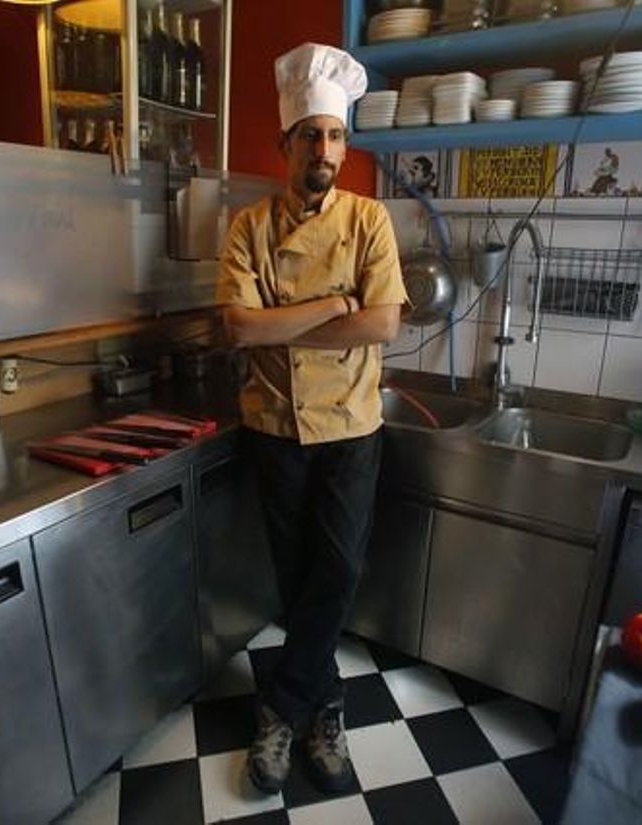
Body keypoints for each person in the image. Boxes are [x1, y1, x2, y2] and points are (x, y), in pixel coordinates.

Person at [214, 42, 407, 795]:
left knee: (339, 568)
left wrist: (279, 320)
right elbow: (238, 328)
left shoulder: (370, 219)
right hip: (274, 424)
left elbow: (384, 324)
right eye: (309, 136)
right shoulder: (249, 227)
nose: (323, 149)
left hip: (351, 425)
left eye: (334, 135)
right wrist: (331, 305)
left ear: (343, 145)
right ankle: (325, 704)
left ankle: (282, 709)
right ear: (285, 145)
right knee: (298, 579)